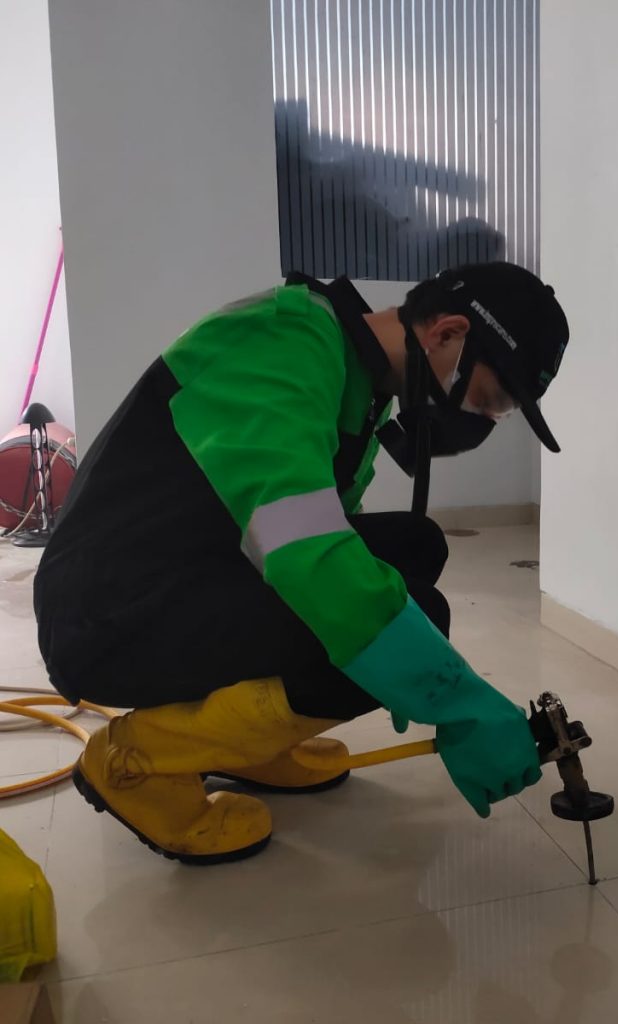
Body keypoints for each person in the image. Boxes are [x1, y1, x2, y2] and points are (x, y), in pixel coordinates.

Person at [33, 262, 569, 864]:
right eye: (490, 402)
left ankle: (247, 744)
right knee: (402, 617)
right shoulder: (283, 343)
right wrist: (452, 696)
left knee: (415, 546)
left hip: (186, 571)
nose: (484, 421)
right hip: (107, 615)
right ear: (447, 334)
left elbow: (317, 530)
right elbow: (307, 555)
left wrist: (394, 656)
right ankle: (139, 762)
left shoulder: (355, 379)